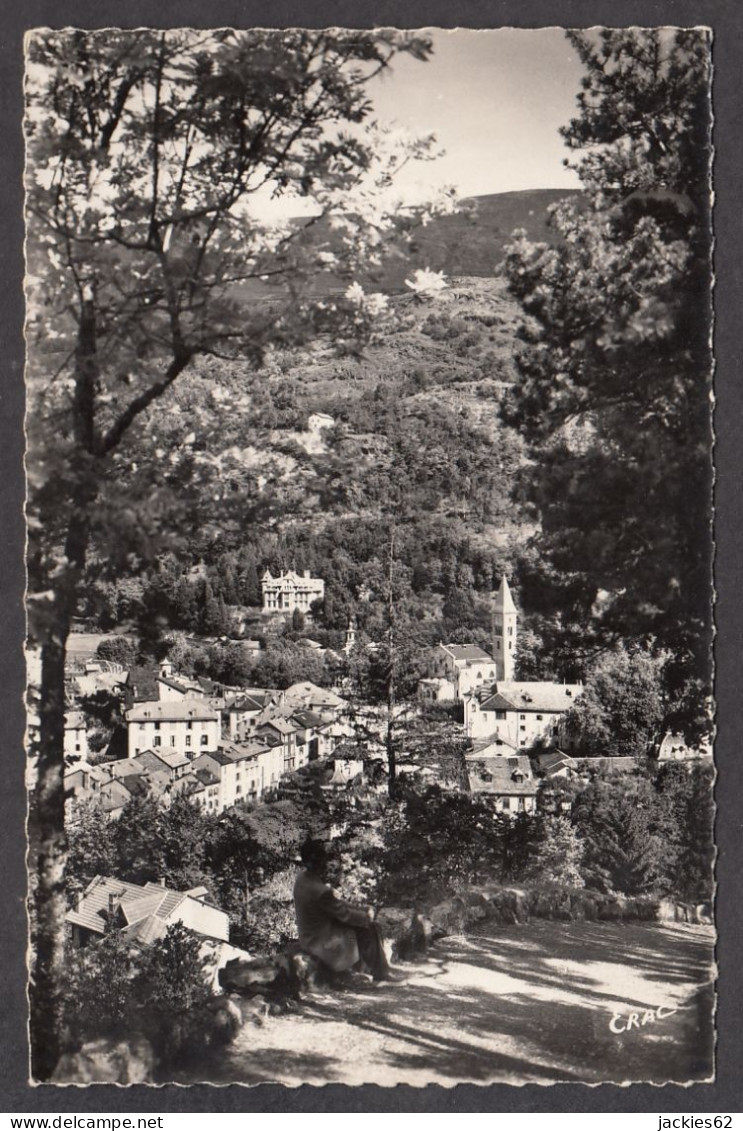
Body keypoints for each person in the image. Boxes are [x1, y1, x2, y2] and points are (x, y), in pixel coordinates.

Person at [293, 838, 395, 982]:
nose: (325, 865)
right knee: (370, 928)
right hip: (320, 943)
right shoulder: (320, 890)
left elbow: (336, 904)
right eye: (323, 860)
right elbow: (345, 915)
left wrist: (361, 909)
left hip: (309, 937)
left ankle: (365, 971)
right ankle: (381, 974)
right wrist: (367, 916)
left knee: (363, 926)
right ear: (320, 862)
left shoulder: (302, 879)